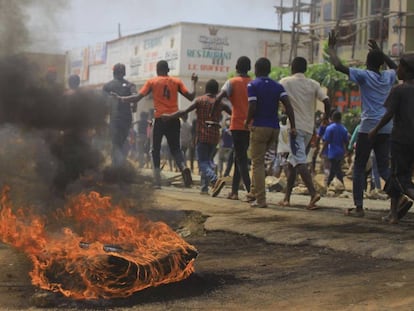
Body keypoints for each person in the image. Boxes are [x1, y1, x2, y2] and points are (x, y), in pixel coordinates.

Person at [327, 30, 397, 217]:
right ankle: (399, 197)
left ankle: (359, 207)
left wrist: (331, 48)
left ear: (367, 63)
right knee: (383, 167)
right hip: (386, 126)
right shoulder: (388, 76)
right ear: (382, 63)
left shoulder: (364, 76)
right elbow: (396, 68)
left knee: (359, 167)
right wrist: (382, 53)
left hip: (368, 127)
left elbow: (338, 66)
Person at [115, 60, 198, 188]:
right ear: (168, 70)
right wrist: (194, 82)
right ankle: (183, 167)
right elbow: (191, 97)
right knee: (176, 149)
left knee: (155, 150)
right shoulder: (177, 82)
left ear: (157, 70)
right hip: (174, 118)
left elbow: (137, 97)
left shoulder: (152, 82)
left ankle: (157, 180)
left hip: (159, 119)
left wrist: (121, 98)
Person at [162, 79, 232, 196]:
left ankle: (215, 180)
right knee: (207, 161)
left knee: (202, 163)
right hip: (214, 137)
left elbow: (184, 111)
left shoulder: (200, 101)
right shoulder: (221, 103)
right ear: (217, 91)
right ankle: (204, 188)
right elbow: (233, 114)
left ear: (206, 89)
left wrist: (169, 116)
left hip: (203, 135)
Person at [279, 56, 330, 210]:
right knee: (292, 163)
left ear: (292, 68)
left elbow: (280, 101)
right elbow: (326, 101)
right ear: (305, 69)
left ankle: (313, 194)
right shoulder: (313, 84)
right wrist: (325, 118)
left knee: (299, 161)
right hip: (309, 128)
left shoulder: (285, 82)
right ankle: (287, 198)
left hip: (295, 129)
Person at [368, 53, 414, 224]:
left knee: (400, 179)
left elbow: (389, 114)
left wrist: (375, 129)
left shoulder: (398, 90)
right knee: (398, 176)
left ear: (407, 71)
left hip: (400, 139)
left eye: (400, 67)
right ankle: (393, 214)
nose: (397, 70)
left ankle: (395, 212)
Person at [245, 57, 296, 208]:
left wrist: (247, 121)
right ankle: (253, 192)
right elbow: (288, 105)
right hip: (274, 129)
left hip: (260, 126)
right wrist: (293, 125)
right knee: (261, 162)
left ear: (256, 69)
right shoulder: (278, 86)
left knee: (257, 163)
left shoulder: (252, 85)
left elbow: (252, 105)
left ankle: (260, 199)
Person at [215, 56, 252, 201]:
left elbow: (219, 98)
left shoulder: (232, 82)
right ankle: (235, 192)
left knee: (241, 158)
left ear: (236, 67)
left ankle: (250, 190)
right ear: (249, 68)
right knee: (239, 157)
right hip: (250, 125)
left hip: (237, 125)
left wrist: (214, 111)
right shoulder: (252, 84)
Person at [102, 63, 137, 168]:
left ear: (114, 72)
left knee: (115, 143)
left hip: (114, 119)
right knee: (122, 141)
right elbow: (135, 96)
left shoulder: (107, 86)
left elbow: (102, 102)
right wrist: (134, 107)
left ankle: (117, 166)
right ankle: (120, 165)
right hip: (126, 119)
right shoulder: (131, 85)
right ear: (124, 72)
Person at [322, 111, 349, 188]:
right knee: (336, 168)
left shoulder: (329, 128)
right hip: (340, 152)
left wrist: (322, 151)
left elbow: (326, 141)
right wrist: (346, 151)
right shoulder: (344, 129)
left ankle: (330, 184)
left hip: (332, 152)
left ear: (333, 118)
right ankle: (338, 183)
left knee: (335, 168)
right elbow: (346, 141)